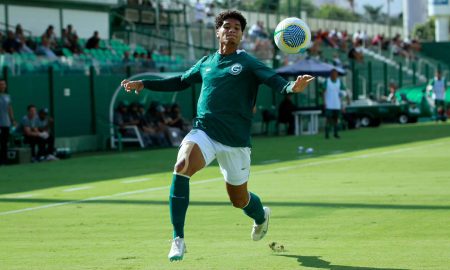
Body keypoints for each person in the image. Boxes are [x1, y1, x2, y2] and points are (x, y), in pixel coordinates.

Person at [121, 10, 314, 262]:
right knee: (181, 166)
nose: (231, 29)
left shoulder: (248, 62)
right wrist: (145, 82)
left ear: (242, 35)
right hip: (205, 132)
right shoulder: (206, 62)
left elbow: (275, 80)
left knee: (239, 200)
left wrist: (292, 87)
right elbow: (179, 81)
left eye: (236, 27)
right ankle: (178, 238)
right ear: (218, 32)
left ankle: (260, 216)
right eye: (226, 26)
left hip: (236, 142)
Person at [322, 68, 346, 139]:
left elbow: (343, 91)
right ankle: (327, 134)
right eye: (333, 73)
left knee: (336, 119)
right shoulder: (327, 81)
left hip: (337, 105)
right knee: (328, 119)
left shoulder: (339, 82)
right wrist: (324, 102)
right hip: (329, 104)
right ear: (331, 74)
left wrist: (343, 102)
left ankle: (336, 133)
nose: (335, 75)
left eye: (336, 74)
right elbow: (323, 92)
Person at [0, 80, 16, 165]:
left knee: (4, 142)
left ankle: (3, 159)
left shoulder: (7, 96)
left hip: (5, 123)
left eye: (3, 84)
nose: (2, 86)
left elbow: (10, 108)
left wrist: (12, 119)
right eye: (0, 84)